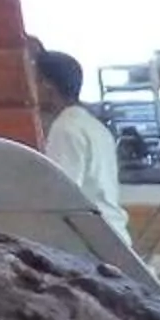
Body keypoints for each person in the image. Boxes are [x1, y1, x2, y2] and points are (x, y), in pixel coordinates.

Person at [29, 47, 130, 244]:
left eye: (34, 81)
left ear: (47, 86)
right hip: (112, 235)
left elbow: (61, 195)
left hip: (93, 241)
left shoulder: (65, 128)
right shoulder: (91, 124)